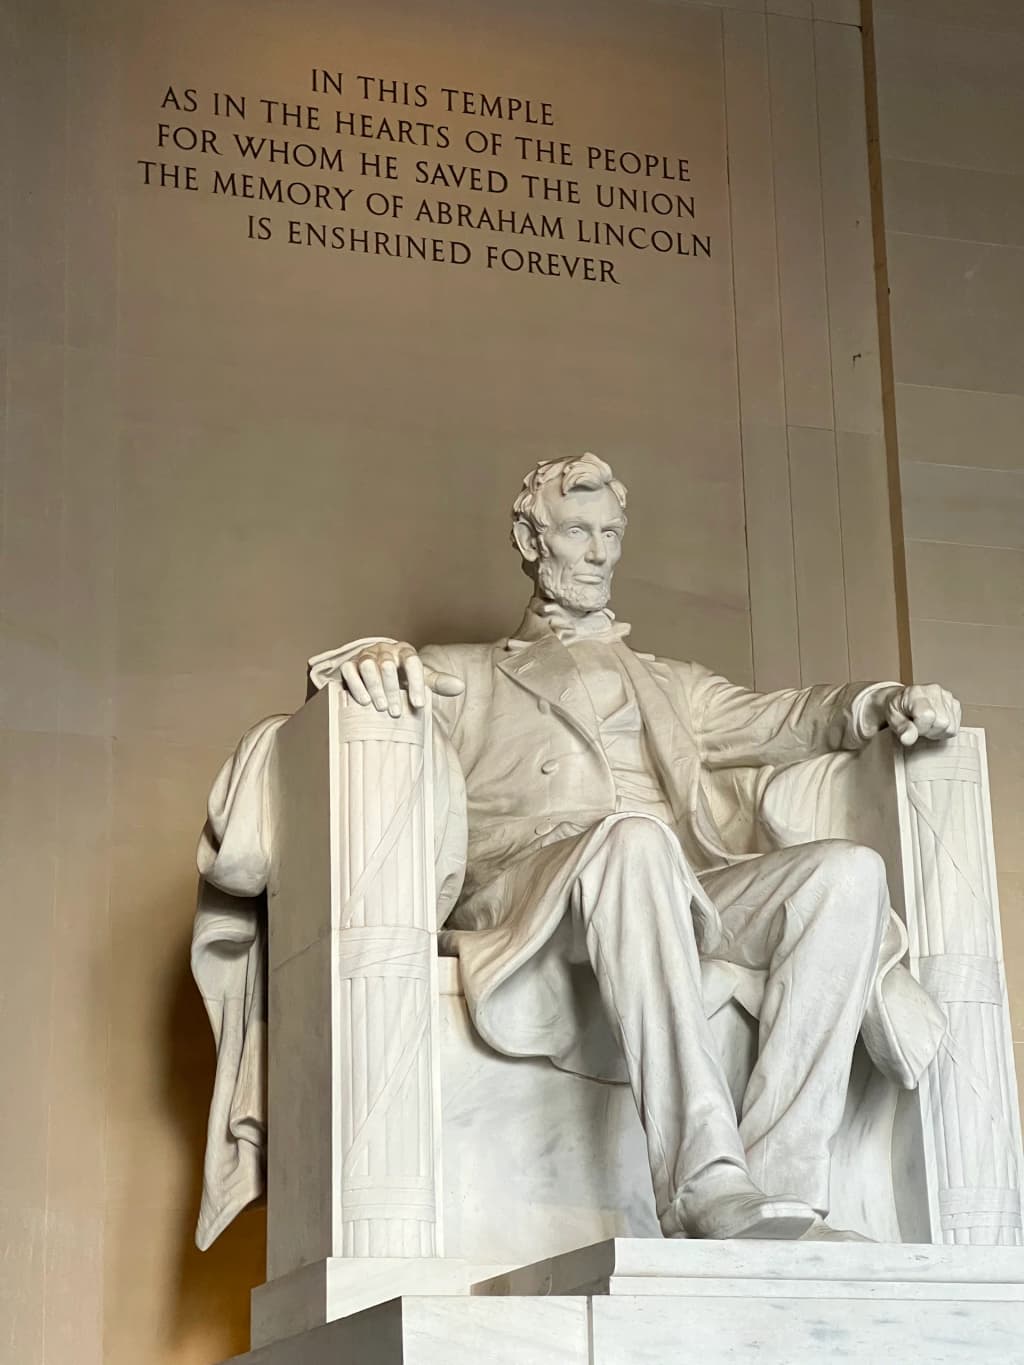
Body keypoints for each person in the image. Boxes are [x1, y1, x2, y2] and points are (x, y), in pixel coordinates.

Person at [334, 453, 954, 1242]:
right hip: (534, 890)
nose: (599, 553)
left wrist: (883, 701)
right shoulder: (466, 672)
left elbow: (786, 718)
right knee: (634, 840)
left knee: (847, 874)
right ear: (530, 540)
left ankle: (784, 1187)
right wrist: (374, 659)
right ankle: (702, 1180)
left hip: (672, 884)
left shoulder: (672, 683)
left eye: (611, 534)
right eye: (578, 532)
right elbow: (351, 696)